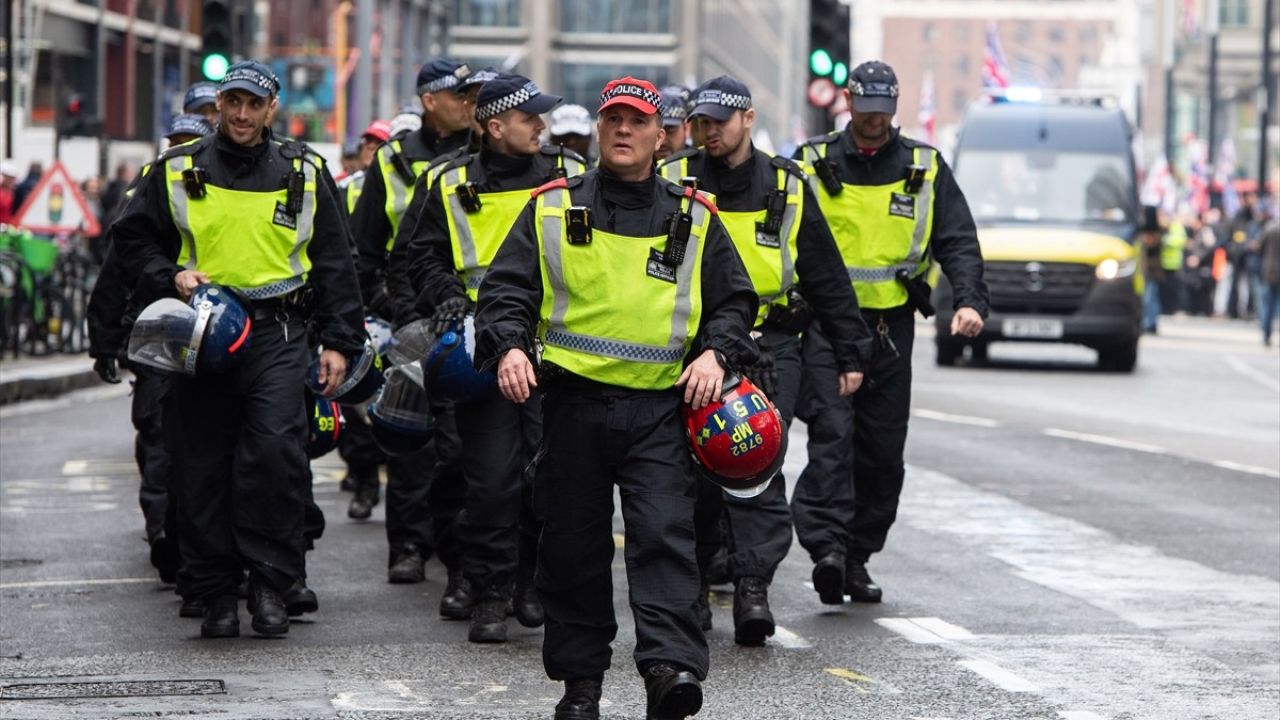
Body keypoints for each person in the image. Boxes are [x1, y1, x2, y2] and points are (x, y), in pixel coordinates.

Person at [474, 75, 758, 720]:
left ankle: (669, 669)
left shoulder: (694, 214)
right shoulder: (551, 206)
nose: (622, 131)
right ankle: (581, 688)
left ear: (662, 137)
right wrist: (511, 347)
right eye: (612, 121)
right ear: (599, 131)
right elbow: (505, 293)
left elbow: (734, 303)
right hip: (571, 408)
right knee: (573, 551)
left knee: (663, 538)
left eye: (636, 122)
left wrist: (717, 352)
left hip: (661, 410)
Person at [111, 60, 366, 639]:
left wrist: (339, 343)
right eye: (233, 103)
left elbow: (334, 261)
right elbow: (130, 242)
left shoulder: (303, 170)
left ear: (272, 109)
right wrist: (170, 276)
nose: (243, 114)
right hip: (199, 337)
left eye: (254, 104)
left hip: (278, 337)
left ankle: (271, 583)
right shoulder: (177, 169)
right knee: (200, 464)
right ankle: (215, 590)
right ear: (219, 106)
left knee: (274, 458)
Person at [658, 75, 870, 645]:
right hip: (692, 348)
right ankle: (696, 586)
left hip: (770, 346)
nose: (707, 134)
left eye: (718, 123)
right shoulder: (673, 178)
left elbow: (825, 274)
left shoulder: (788, 186)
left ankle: (753, 586)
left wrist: (851, 350)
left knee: (756, 460)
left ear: (747, 118)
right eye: (699, 123)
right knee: (693, 471)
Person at [794, 60, 988, 605]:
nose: (874, 121)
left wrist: (970, 299)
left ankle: (856, 556)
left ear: (894, 108)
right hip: (830, 329)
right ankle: (828, 550)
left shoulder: (924, 167)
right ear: (849, 104)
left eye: (883, 111)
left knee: (882, 454)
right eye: (866, 109)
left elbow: (958, 240)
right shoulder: (811, 162)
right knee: (832, 439)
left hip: (891, 330)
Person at [404, 73, 586, 644]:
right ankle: (490, 590)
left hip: (557, 350)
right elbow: (422, 255)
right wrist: (448, 296)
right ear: (494, 124)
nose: (541, 125)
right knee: (490, 481)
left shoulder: (571, 175)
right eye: (530, 116)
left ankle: (531, 583)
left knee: (549, 477)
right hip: (485, 351)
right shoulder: (449, 180)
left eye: (542, 117)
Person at [349, 57, 478, 588]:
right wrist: (390, 307)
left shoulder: (482, 155)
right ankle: (406, 546)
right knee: (409, 436)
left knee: (461, 446)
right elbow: (364, 247)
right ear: (430, 101)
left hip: (466, 317)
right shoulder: (393, 161)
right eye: (460, 96)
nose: (470, 105)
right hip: (411, 314)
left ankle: (456, 547)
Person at [86, 111, 216, 610]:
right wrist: (104, 340)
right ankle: (167, 536)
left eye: (192, 141)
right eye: (176, 141)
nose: (181, 150)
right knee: (161, 440)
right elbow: (118, 266)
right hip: (160, 336)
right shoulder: (150, 188)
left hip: (224, 336)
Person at [656, 84, 691, 161]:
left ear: (686, 128)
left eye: (670, 130)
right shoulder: (634, 166)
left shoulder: (703, 166)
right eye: (656, 133)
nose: (663, 141)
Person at [1260, 215, 1280, 346]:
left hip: (1268, 271)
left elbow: (1260, 247)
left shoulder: (1270, 228)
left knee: (1267, 306)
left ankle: (1266, 335)